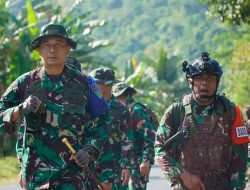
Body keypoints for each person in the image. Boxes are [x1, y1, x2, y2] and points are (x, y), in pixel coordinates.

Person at [0, 23, 110, 190]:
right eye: (47, 45)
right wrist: (20, 109)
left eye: (59, 45)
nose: (52, 50)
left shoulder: (84, 83)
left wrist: (88, 150)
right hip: (36, 174)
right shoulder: (24, 83)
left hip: (73, 175)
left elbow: (103, 121)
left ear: (68, 50)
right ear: (39, 50)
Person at [155, 52, 249, 190]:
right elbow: (160, 149)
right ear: (190, 81)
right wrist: (182, 175)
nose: (205, 83)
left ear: (217, 82)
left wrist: (236, 187)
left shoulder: (230, 111)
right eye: (199, 78)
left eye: (210, 79)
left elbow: (240, 155)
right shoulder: (176, 110)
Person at [90, 67, 133, 190]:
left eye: (97, 83)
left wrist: (126, 167)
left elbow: (127, 139)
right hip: (89, 164)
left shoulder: (121, 109)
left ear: (109, 84)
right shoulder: (86, 106)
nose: (93, 86)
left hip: (112, 166)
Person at [113, 81, 156, 190]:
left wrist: (146, 160)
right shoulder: (123, 111)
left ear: (128, 96)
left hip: (138, 160)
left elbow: (150, 135)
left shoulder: (136, 111)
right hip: (126, 160)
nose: (117, 100)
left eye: (120, 97)